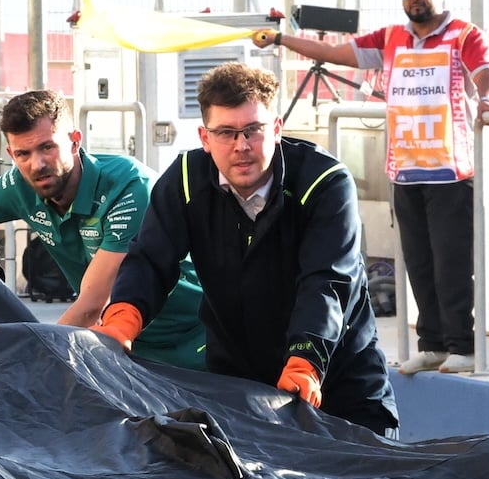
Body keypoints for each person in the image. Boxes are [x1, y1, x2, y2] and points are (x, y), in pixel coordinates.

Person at [99, 62, 397, 436]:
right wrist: (121, 321)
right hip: (238, 379)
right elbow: (149, 260)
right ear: (205, 137)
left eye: (253, 130)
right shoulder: (185, 180)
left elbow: (327, 281)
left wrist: (305, 360)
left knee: (366, 468)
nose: (241, 146)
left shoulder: (324, 183)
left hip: (335, 375)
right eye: (226, 132)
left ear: (276, 128)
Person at [254, 0, 489, 374]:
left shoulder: (464, 34)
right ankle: (433, 344)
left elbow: (485, 72)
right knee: (418, 264)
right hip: (405, 171)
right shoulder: (391, 38)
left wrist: (488, 98)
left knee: (452, 264)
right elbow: (335, 53)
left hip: (450, 171)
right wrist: (281, 39)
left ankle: (463, 344)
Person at [0, 89, 207, 371]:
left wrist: (36, 363)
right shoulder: (17, 186)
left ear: (75, 140)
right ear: (11, 154)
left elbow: (92, 305)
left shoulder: (128, 186)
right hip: (123, 343)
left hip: (194, 337)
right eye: (23, 154)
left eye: (47, 147)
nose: (37, 164)